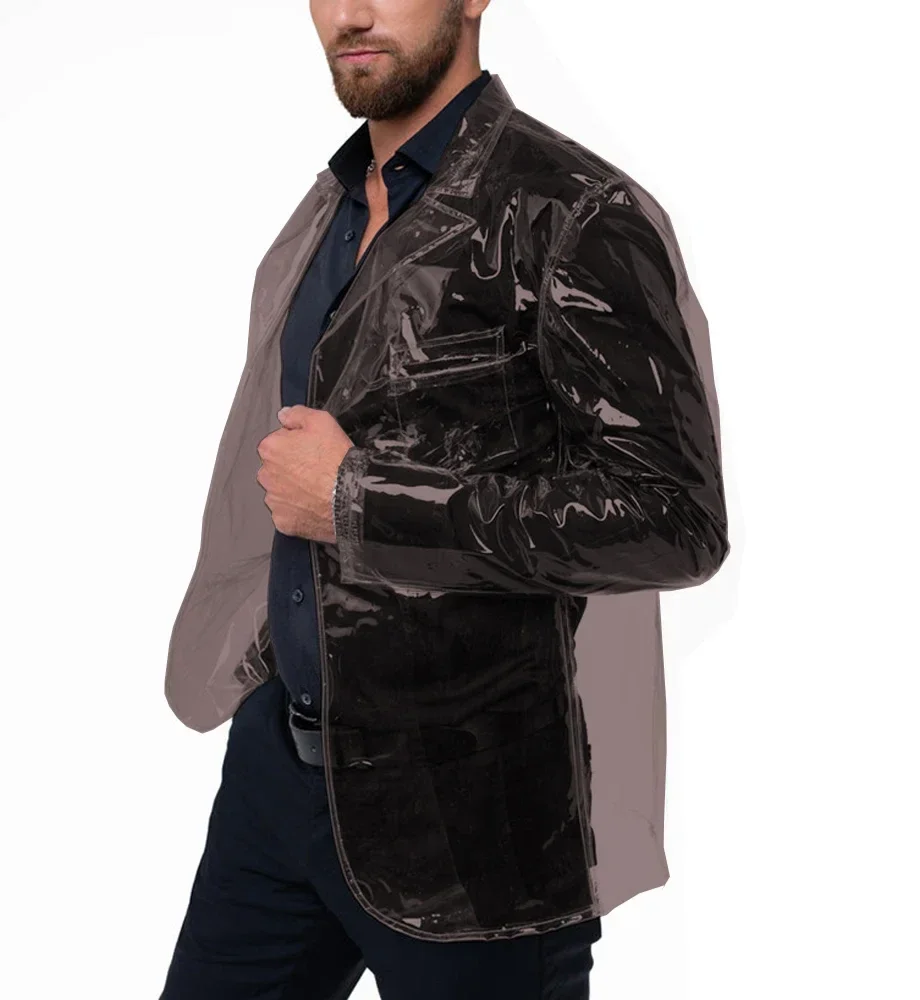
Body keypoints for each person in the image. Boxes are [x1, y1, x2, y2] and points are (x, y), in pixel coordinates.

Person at [159, 1, 730, 997]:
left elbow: (672, 517)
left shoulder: (571, 211)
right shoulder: (334, 207)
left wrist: (360, 499)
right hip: (278, 777)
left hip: (472, 819)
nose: (351, 13)